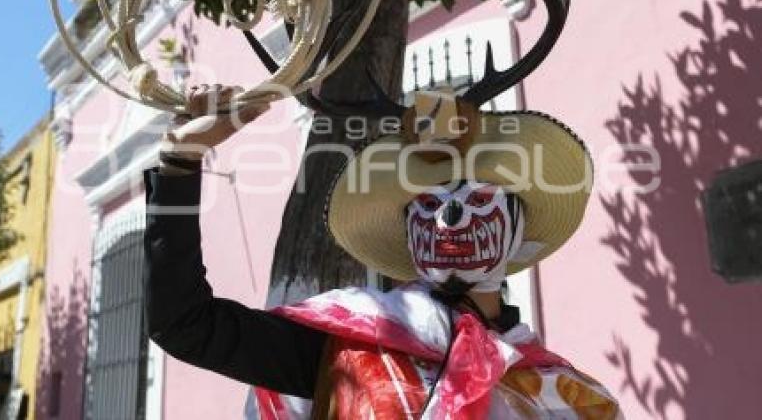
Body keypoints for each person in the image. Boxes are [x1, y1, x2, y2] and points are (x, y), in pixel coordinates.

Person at [144, 83, 622, 419]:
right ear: (408, 236)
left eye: (476, 200)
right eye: (428, 205)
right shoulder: (343, 347)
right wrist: (180, 163)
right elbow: (184, 324)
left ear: (518, 231)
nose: (447, 219)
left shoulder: (571, 397)